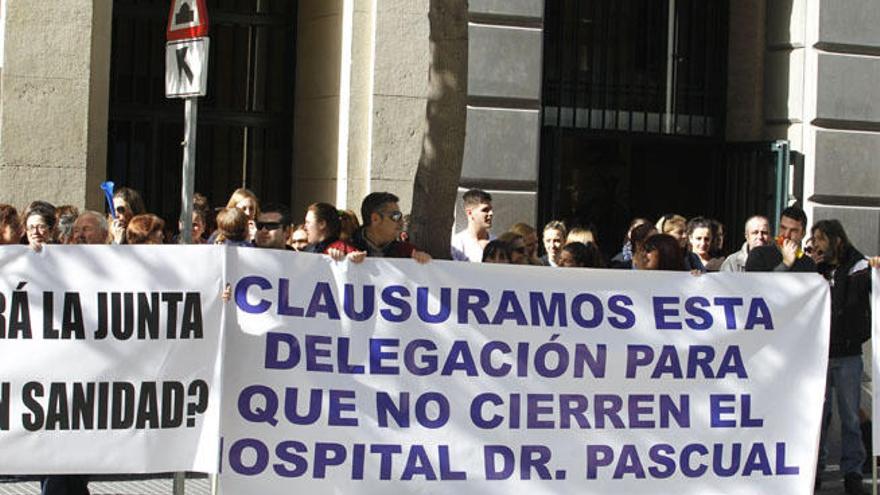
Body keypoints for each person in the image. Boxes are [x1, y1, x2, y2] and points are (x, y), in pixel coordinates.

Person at [812, 219, 871, 494]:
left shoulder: (858, 266)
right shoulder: (813, 268)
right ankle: (816, 469)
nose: (816, 245)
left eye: (821, 239)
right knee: (819, 415)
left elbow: (859, 300)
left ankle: (853, 472)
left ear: (836, 240)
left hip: (847, 353)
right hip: (819, 354)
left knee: (849, 416)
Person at [350, 192, 431, 262]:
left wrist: (424, 261)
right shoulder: (344, 249)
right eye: (396, 216)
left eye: (401, 217)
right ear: (375, 219)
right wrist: (343, 260)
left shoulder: (408, 252)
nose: (401, 222)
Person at [451, 189, 494, 262]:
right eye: (485, 210)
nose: (491, 213)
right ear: (470, 213)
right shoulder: (457, 244)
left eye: (491, 209)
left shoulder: (496, 242)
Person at [773, 205, 816, 272]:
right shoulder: (760, 254)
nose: (787, 235)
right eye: (783, 228)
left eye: (793, 230)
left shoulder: (808, 264)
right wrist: (786, 263)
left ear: (803, 234)